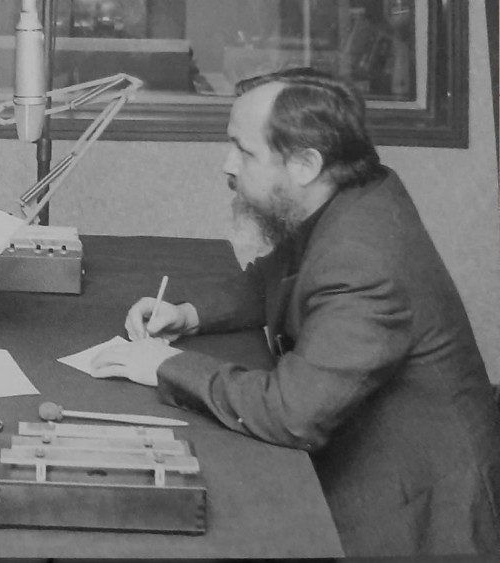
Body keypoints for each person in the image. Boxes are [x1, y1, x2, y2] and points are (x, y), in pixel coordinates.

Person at [91, 68, 500, 556]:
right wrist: (188, 313)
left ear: (305, 164)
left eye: (244, 151)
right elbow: (275, 278)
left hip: (416, 513)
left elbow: (293, 413)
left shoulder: (363, 260)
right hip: (374, 466)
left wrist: (164, 364)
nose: (227, 164)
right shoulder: (351, 192)